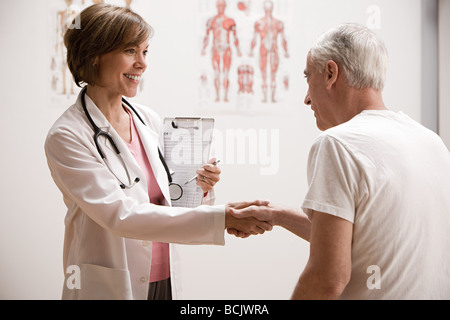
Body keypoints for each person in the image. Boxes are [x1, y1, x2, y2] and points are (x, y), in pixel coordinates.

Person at [45, 4, 272, 300]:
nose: (142, 63)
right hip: (111, 284)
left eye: (145, 52)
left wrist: (201, 188)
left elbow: (172, 205)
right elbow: (120, 215)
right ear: (94, 55)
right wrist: (222, 219)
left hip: (164, 280)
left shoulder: (148, 120)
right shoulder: (67, 136)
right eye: (130, 51)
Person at [229, 23, 450, 299]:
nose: (307, 98)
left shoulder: (338, 144)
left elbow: (327, 277)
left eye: (308, 77)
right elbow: (361, 236)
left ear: (331, 73)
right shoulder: (432, 143)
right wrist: (278, 215)